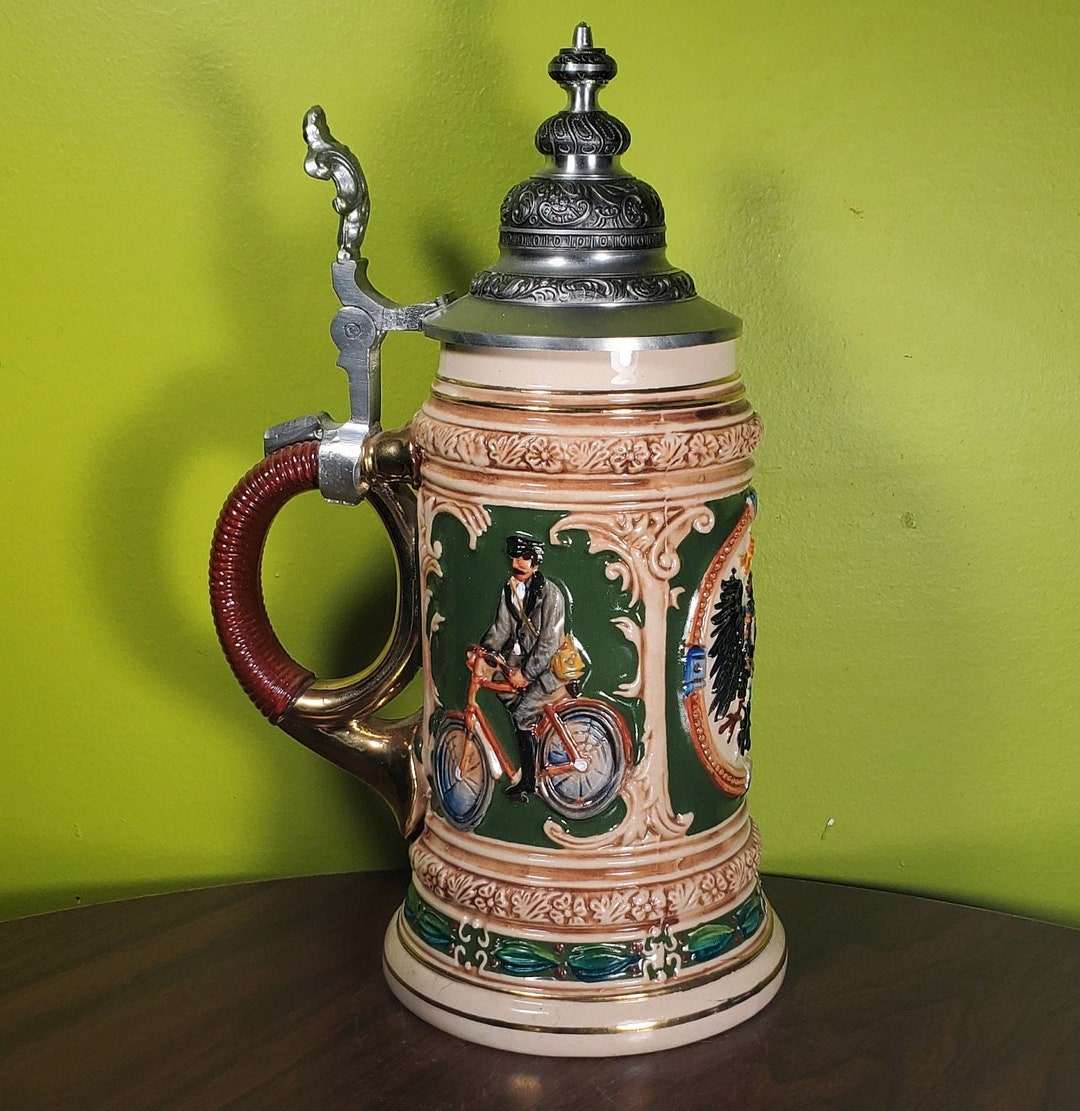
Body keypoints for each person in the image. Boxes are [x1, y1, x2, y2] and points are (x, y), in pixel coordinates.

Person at [480, 534, 566, 800]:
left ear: (536, 562)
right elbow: (501, 628)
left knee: (520, 716)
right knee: (495, 679)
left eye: (525, 557)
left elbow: (550, 642)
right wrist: (484, 653)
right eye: (515, 557)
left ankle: (528, 781)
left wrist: (526, 675)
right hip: (520, 662)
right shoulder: (510, 590)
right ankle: (531, 728)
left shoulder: (551, 594)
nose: (518, 563)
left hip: (548, 669)